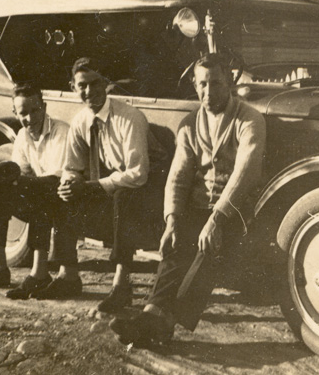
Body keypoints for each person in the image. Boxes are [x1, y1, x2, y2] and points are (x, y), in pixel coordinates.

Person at [109, 53, 266, 345]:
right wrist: (172, 220)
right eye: (202, 84)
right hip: (198, 206)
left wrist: (216, 219)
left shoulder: (249, 119)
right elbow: (179, 176)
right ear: (195, 86)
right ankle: (153, 313)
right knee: (176, 243)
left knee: (207, 249)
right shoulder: (190, 124)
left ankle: (161, 323)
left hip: (236, 209)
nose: (209, 92)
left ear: (230, 82)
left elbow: (246, 173)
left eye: (216, 83)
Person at [0, 83, 77, 301]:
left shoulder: (61, 132)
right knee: (1, 188)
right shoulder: (23, 136)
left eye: (35, 111)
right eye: (23, 113)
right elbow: (19, 173)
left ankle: (39, 273)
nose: (30, 118)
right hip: (41, 193)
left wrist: (21, 183)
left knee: (37, 191)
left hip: (65, 196)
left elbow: (61, 178)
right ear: (15, 113)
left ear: (44, 107)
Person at [58, 57, 155, 312]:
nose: (89, 91)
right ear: (72, 87)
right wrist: (69, 183)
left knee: (124, 197)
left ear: (107, 84)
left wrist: (89, 187)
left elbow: (137, 174)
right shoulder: (80, 121)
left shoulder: (128, 117)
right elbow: (72, 167)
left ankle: (122, 285)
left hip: (151, 187)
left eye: (95, 83)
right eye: (82, 85)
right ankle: (68, 275)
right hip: (113, 183)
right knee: (65, 192)